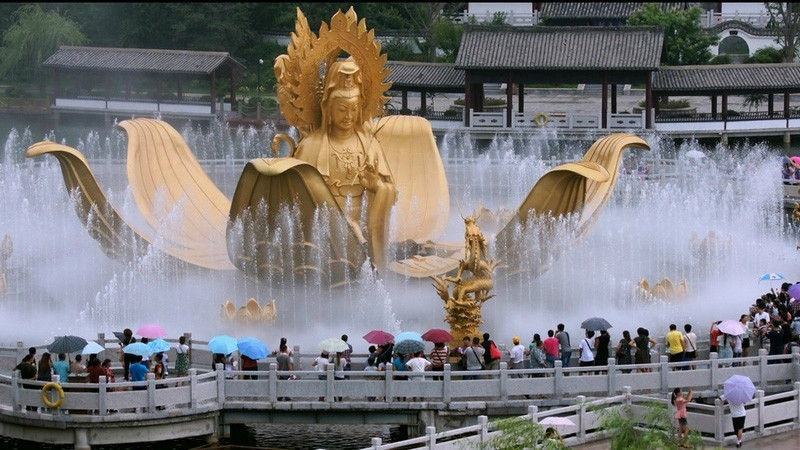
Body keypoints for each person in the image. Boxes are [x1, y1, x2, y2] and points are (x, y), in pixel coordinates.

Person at [293, 58, 397, 273]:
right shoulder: (310, 146)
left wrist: (376, 185)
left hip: (363, 227)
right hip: (324, 228)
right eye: (342, 109)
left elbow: (392, 192)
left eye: (353, 109)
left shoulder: (369, 144)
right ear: (328, 109)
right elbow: (295, 196)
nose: (348, 116)